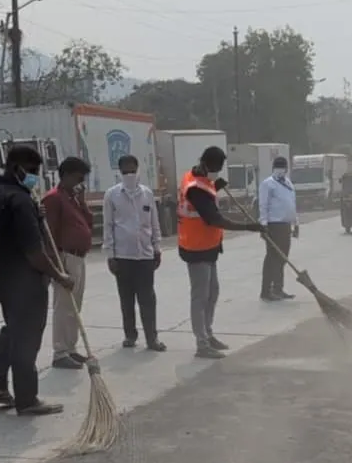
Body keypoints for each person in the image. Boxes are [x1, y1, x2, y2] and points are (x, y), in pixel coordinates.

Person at [0, 143, 72, 414]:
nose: (34, 176)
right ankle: (27, 399)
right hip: (24, 279)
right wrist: (59, 275)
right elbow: (34, 252)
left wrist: (35, 213)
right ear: (17, 168)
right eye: (31, 171)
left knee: (14, 327)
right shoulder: (20, 201)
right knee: (27, 336)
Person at [179, 146, 264, 359]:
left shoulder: (199, 179)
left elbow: (206, 196)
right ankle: (202, 344)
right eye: (216, 167)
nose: (218, 170)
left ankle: (208, 333)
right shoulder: (195, 187)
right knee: (200, 297)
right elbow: (214, 218)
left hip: (208, 247)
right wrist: (247, 226)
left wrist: (216, 186)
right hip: (196, 248)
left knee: (213, 292)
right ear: (206, 164)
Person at [103, 154, 166, 351]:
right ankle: (130, 335)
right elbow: (108, 226)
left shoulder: (147, 194)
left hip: (145, 255)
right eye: (125, 170)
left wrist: (157, 249)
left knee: (147, 298)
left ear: (137, 169)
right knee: (126, 299)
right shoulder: (112, 195)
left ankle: (152, 338)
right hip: (123, 257)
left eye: (132, 169)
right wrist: (110, 255)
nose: (129, 173)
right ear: (120, 171)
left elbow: (154, 224)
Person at [42, 156, 95, 370]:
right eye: (78, 178)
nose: (80, 182)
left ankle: (71, 347)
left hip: (79, 257)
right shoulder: (54, 199)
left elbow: (88, 223)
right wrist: (57, 267)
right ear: (66, 175)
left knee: (75, 305)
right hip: (65, 257)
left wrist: (82, 202)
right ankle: (60, 351)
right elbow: (49, 234)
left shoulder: (73, 198)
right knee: (64, 305)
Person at [258, 155, 299, 301]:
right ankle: (266, 291)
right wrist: (263, 225)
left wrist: (296, 223)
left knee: (283, 258)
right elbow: (263, 205)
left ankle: (278, 288)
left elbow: (292, 204)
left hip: (286, 226)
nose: (281, 170)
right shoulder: (268, 184)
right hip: (273, 225)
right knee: (272, 258)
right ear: (273, 168)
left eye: (283, 167)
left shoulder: (288, 183)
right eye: (278, 167)